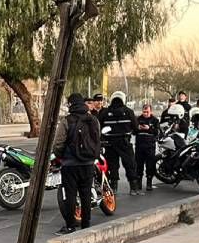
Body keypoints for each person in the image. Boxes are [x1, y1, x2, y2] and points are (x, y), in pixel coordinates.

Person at [52, 92, 101, 234]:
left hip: (70, 164)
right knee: (86, 194)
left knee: (71, 195)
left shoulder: (66, 121)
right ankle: (86, 224)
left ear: (70, 104)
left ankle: (70, 225)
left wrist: (61, 156)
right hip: (88, 163)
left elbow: (58, 143)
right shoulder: (93, 120)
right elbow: (97, 139)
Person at [99, 91, 140, 195]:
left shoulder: (104, 112)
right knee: (130, 164)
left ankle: (114, 188)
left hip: (110, 143)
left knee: (112, 166)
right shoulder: (129, 111)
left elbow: (98, 127)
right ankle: (133, 188)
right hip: (124, 142)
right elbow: (136, 128)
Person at [135, 102, 161, 192]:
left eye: (147, 112)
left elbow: (157, 132)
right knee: (139, 165)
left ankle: (149, 182)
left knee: (150, 165)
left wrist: (148, 129)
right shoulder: (138, 119)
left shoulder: (155, 120)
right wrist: (138, 128)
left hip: (150, 146)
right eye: (144, 112)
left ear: (151, 111)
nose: (145, 114)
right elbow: (133, 131)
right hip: (139, 146)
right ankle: (139, 182)